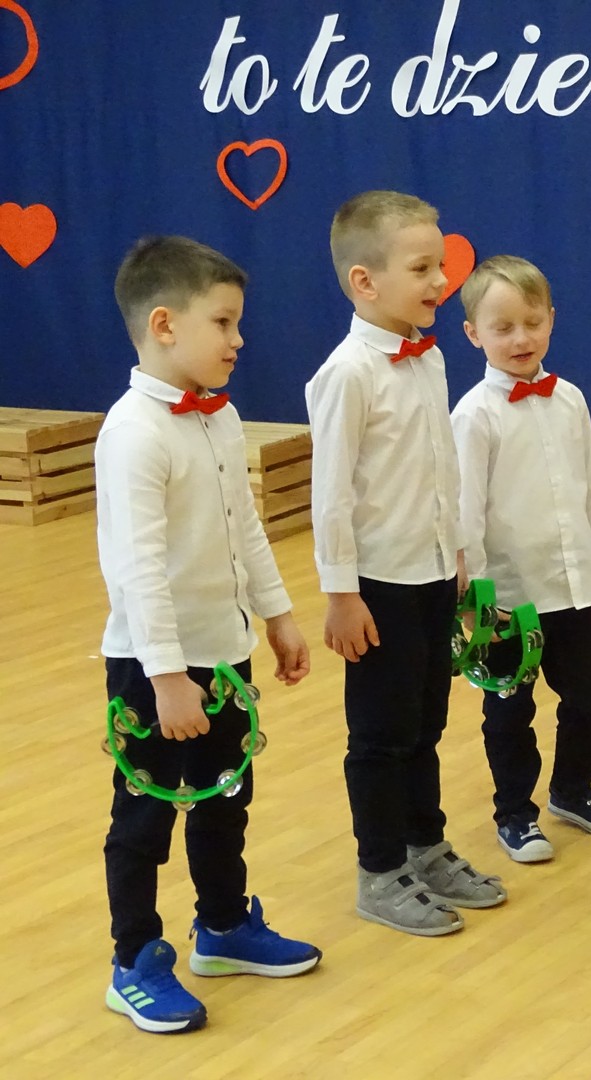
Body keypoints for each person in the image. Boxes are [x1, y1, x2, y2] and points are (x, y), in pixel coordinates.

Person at [98, 235, 320, 1034]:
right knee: (146, 816)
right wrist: (166, 677)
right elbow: (138, 570)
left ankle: (223, 927)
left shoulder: (220, 419)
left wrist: (278, 615)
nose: (238, 339)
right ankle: (134, 960)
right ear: (165, 324)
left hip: (224, 653)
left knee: (226, 797)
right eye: (223, 323)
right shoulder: (134, 432)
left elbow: (244, 529)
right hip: (153, 667)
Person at [307, 191, 505, 935]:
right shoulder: (348, 374)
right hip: (378, 586)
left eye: (440, 266)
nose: (441, 281)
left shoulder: (430, 357)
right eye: (422, 268)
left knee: (426, 722)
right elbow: (331, 495)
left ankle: (426, 846)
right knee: (381, 734)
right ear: (365, 281)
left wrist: (457, 555)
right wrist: (341, 592)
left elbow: (440, 470)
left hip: (432, 574)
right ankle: (380, 869)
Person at [451, 255, 591, 864]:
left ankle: (573, 791)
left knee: (590, 699)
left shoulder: (570, 399)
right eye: (502, 328)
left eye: (532, 323)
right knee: (509, 711)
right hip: (509, 598)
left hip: (573, 584)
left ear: (551, 319)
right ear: (473, 333)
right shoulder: (473, 415)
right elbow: (465, 514)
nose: (520, 338)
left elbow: (589, 486)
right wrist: (473, 597)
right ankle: (515, 814)